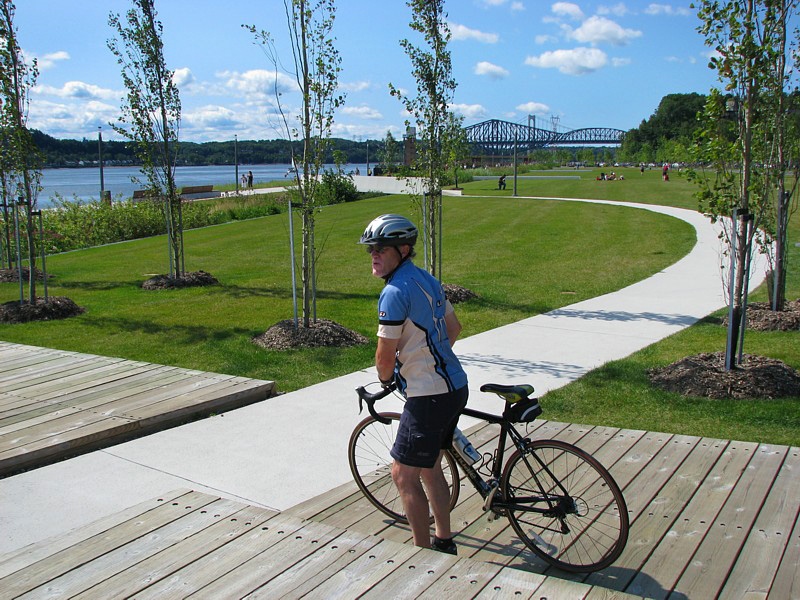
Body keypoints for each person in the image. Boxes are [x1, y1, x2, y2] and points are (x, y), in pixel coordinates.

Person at [359, 214, 469, 555]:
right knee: (430, 465)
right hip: (455, 386)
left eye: (381, 248)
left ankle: (420, 555)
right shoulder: (428, 280)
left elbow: (383, 356)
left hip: (428, 396)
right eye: (370, 250)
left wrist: (387, 379)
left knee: (403, 476)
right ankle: (445, 539)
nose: (374, 255)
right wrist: (430, 358)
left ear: (403, 249)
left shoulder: (393, 293)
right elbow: (454, 329)